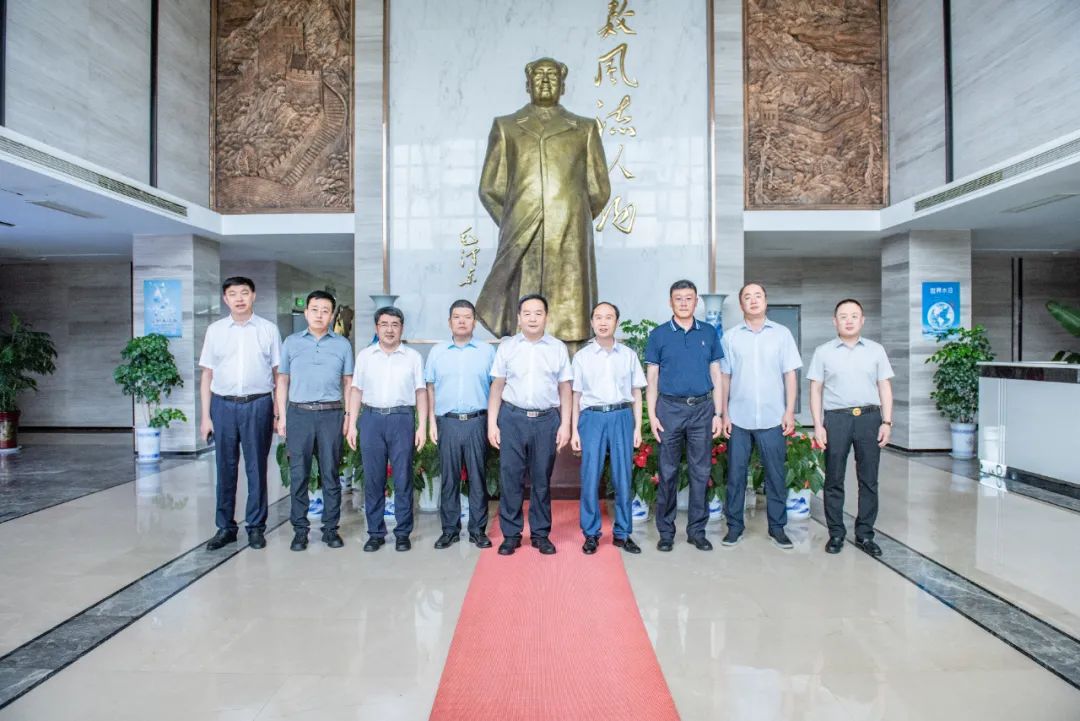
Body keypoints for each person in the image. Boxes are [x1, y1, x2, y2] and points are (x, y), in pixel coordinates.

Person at [475, 57, 610, 343]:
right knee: (523, 313)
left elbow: (599, 189)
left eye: (552, 75)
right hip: (522, 233)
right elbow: (490, 188)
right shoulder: (506, 126)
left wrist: (570, 215)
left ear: (563, 84)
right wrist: (515, 220)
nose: (546, 81)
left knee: (571, 316)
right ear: (528, 84)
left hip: (570, 234)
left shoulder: (584, 128)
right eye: (538, 75)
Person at [199, 276, 282, 551]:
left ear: (253, 296)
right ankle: (225, 527)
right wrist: (205, 417)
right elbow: (207, 375)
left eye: (244, 293)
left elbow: (278, 374)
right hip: (222, 405)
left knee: (257, 468)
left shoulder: (268, 330)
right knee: (225, 468)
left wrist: (278, 411)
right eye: (233, 294)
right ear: (225, 299)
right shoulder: (215, 331)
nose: (239, 298)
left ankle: (256, 527)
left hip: (258, 404)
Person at [807, 298, 895, 557]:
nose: (848, 320)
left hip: (870, 418)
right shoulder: (823, 352)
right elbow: (815, 389)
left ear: (862, 320)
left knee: (869, 479)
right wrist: (818, 425)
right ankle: (836, 533)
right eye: (843, 316)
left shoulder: (876, 350)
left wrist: (887, 421)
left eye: (854, 316)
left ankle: (865, 534)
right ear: (835, 321)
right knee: (834, 478)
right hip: (837, 419)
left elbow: (884, 387)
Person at [644, 280, 725, 552]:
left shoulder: (709, 333)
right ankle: (666, 533)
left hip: (702, 410)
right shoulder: (658, 335)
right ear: (670, 302)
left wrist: (718, 413)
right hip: (669, 409)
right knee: (667, 472)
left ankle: (696, 532)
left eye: (688, 298)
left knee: (701, 472)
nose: (683, 303)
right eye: (678, 298)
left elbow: (716, 375)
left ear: (696, 301)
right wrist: (652, 415)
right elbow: (652, 379)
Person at [488, 294, 573, 556]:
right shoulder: (507, 347)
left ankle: (540, 534)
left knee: (541, 479)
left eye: (538, 313)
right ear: (519, 318)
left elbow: (565, 388)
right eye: (527, 313)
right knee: (510, 478)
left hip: (546, 420)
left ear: (546, 317)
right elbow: (497, 386)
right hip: (512, 418)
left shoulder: (557, 348)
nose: (532, 318)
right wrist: (492, 424)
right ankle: (511, 535)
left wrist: (565, 424)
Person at [720, 282, 802, 550]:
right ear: (741, 304)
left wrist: (789, 411)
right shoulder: (730, 337)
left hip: (773, 417)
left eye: (758, 296)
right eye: (747, 297)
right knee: (736, 475)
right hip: (739, 418)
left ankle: (777, 528)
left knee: (776, 476)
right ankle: (734, 527)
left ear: (765, 301)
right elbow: (725, 377)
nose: (753, 300)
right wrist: (724, 413)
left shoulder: (782, 335)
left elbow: (790, 374)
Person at [275, 290, 354, 552]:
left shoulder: (342, 345)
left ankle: (331, 530)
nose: (320, 315)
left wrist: (348, 417)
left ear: (332, 315)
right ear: (306, 312)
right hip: (299, 414)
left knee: (331, 474)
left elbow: (348, 383)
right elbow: (282, 380)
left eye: (325, 311)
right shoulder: (291, 342)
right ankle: (300, 531)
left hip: (331, 414)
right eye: (315, 309)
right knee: (299, 475)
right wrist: (281, 416)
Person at [346, 307, 427, 552]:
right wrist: (352, 424)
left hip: (402, 419)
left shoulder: (413, 357)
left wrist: (421, 426)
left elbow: (420, 392)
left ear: (401, 328)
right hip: (371, 419)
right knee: (373, 479)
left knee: (403, 478)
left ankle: (402, 533)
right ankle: (375, 533)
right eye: (384, 324)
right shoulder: (365, 356)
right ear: (376, 327)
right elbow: (356, 390)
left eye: (394, 324)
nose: (389, 329)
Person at [571, 301, 647, 554]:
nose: (603, 322)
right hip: (591, 418)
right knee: (590, 476)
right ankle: (591, 533)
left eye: (609, 317)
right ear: (592, 322)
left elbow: (636, 392)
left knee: (623, 477)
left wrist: (637, 428)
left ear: (616, 322)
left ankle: (623, 533)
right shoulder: (581, 357)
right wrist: (574, 430)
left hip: (621, 416)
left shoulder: (628, 355)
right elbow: (575, 395)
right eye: (598, 317)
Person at [425, 300, 497, 549]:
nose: (462, 321)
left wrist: (493, 423)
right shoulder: (437, 352)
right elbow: (430, 387)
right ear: (449, 322)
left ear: (474, 322)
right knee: (449, 478)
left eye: (467, 317)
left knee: (478, 478)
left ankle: (478, 530)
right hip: (448, 422)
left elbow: (496, 388)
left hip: (477, 421)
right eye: (457, 317)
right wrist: (432, 422)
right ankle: (450, 530)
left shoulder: (487, 351)